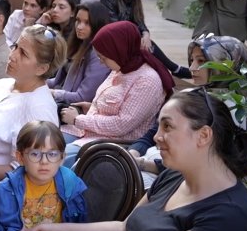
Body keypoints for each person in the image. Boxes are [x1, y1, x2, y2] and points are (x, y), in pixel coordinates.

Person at [19, 90, 247, 231]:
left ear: (203, 135)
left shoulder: (231, 217)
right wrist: (60, 230)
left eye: (167, 126)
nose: (157, 137)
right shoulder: (174, 177)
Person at [130, 34, 247, 188]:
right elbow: (151, 134)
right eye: (192, 60)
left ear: (225, 65)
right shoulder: (193, 96)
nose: (193, 68)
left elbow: (204, 167)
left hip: (173, 183)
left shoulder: (230, 112)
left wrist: (143, 164)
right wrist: (133, 153)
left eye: (201, 61)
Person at [0, 24, 67, 186]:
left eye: (23, 53)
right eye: (15, 46)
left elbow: (24, 173)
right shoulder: (3, 84)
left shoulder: (39, 111)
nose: (12, 55)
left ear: (41, 68)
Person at [58, 21, 174, 166]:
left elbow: (121, 125)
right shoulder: (121, 67)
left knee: (53, 158)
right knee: (43, 141)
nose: (101, 62)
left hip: (108, 142)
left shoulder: (147, 81)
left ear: (119, 50)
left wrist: (78, 120)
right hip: (88, 131)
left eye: (103, 57)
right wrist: (91, 107)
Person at [101, 0, 190, 78]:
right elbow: (115, 25)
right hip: (113, 37)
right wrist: (137, 38)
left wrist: (146, 33)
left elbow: (139, 20)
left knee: (147, 44)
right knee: (147, 47)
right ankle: (174, 69)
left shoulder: (133, 0)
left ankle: (170, 72)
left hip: (127, 37)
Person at [47, 2, 111, 110]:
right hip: (59, 99)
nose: (80, 27)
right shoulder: (77, 44)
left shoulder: (98, 54)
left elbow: (83, 97)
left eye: (87, 23)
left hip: (72, 109)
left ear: (98, 25)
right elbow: (57, 81)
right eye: (78, 21)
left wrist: (52, 93)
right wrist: (37, 81)